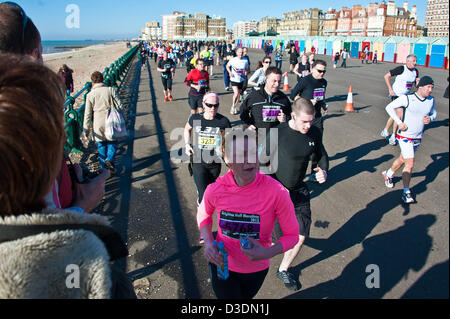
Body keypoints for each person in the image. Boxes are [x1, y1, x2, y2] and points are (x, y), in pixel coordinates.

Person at [0, 54, 137, 299]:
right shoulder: (90, 262)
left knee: (104, 146)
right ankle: (106, 161)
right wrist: (79, 212)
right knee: (108, 149)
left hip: (96, 128)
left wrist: (78, 208)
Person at [197, 128, 300, 299]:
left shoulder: (276, 191)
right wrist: (208, 242)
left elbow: (292, 235)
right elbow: (203, 216)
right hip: (222, 264)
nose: (249, 160)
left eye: (253, 152)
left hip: (256, 270)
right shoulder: (215, 190)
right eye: (240, 154)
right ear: (227, 159)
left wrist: (268, 252)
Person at [263, 98, 329, 291]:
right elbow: (262, 162)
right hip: (276, 192)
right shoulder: (277, 133)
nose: (308, 126)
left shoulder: (314, 132)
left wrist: (323, 170)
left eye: (311, 121)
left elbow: (321, 154)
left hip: (298, 189)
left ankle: (283, 269)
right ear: (293, 115)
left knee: (300, 235)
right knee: (278, 239)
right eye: (304, 122)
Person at [381, 76, 437, 204]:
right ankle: (406, 192)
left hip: (417, 137)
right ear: (421, 86)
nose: (430, 90)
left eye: (432, 87)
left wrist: (431, 118)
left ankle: (388, 174)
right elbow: (389, 107)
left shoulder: (430, 100)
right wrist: (399, 122)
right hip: (405, 136)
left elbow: (434, 113)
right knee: (410, 163)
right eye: (428, 87)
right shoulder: (407, 98)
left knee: (402, 159)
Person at [184, 93, 231, 241]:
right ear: (203, 104)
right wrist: (187, 144)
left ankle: (202, 204)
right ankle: (205, 230)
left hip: (214, 165)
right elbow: (187, 129)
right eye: (209, 105)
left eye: (215, 105)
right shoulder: (195, 118)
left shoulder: (224, 121)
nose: (212, 108)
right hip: (199, 163)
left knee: (209, 196)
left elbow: (229, 142)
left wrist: (224, 152)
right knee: (205, 197)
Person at [290, 60, 329, 175]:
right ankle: (294, 169)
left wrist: (323, 105)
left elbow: (321, 96)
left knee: (317, 144)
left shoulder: (324, 82)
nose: (321, 73)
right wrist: (306, 101)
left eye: (324, 71)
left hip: (316, 118)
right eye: (319, 71)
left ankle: (314, 172)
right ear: (312, 69)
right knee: (299, 142)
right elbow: (293, 96)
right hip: (303, 118)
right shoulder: (305, 81)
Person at [82, 71, 124, 175]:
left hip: (98, 122)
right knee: (112, 142)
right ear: (102, 79)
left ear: (92, 81)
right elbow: (121, 105)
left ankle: (103, 171)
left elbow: (87, 114)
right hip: (111, 120)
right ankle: (109, 159)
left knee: (101, 145)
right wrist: (122, 116)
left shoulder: (90, 95)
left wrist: (86, 129)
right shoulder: (110, 90)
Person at [381, 54, 420, 145]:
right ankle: (393, 136)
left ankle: (386, 130)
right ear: (408, 61)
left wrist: (418, 83)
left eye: (416, 61)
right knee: (399, 115)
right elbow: (386, 76)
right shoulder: (401, 69)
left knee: (395, 114)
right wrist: (390, 89)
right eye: (413, 61)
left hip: (406, 96)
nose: (415, 63)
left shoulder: (416, 72)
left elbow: (416, 86)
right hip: (396, 94)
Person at [241, 66, 291, 131]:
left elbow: (289, 116)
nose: (277, 84)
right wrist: (248, 124)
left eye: (279, 81)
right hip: (257, 134)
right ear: (266, 79)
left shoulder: (283, 99)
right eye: (274, 81)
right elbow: (243, 111)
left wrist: (284, 120)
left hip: (274, 136)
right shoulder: (254, 96)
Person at [226, 47, 250, 115]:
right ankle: (233, 106)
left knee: (239, 94)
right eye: (239, 52)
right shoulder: (233, 60)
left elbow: (248, 68)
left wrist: (246, 71)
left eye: (242, 52)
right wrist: (230, 72)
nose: (241, 54)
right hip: (234, 79)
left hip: (241, 79)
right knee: (236, 93)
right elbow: (227, 66)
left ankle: (234, 106)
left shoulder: (245, 60)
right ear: (236, 53)